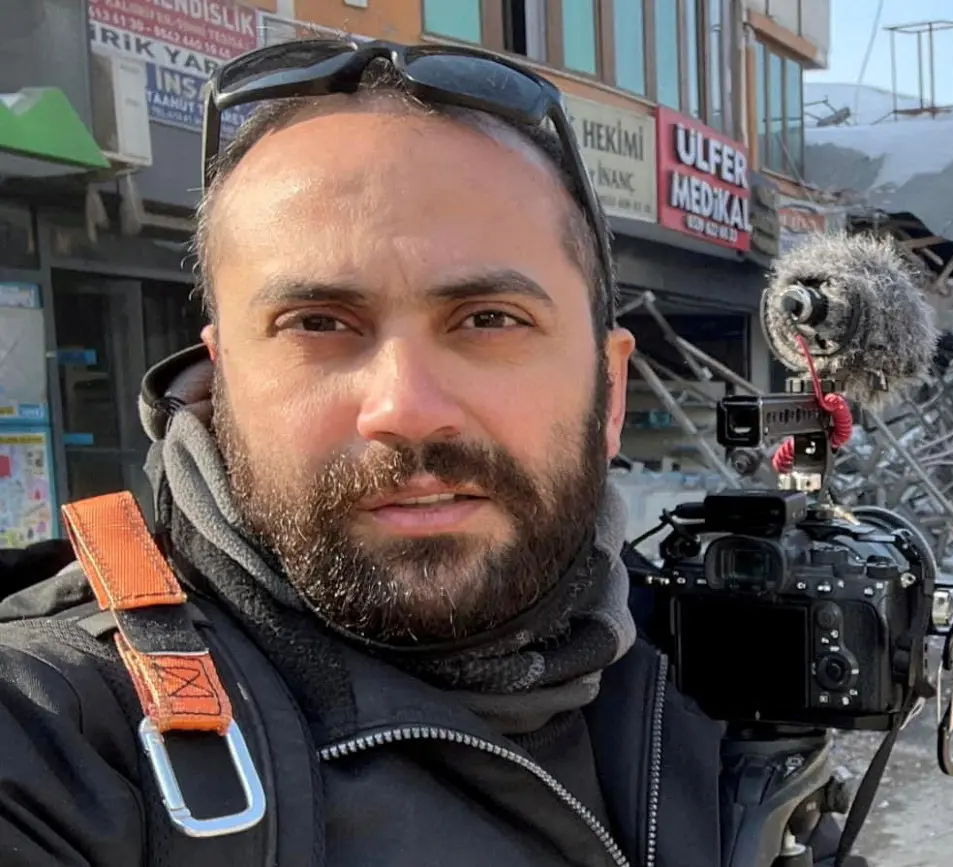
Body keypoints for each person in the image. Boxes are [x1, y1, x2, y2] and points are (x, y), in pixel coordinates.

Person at [0, 40, 866, 866]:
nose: (406, 408)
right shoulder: (63, 732)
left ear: (606, 393)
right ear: (221, 382)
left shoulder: (705, 688)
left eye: (489, 319)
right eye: (316, 324)